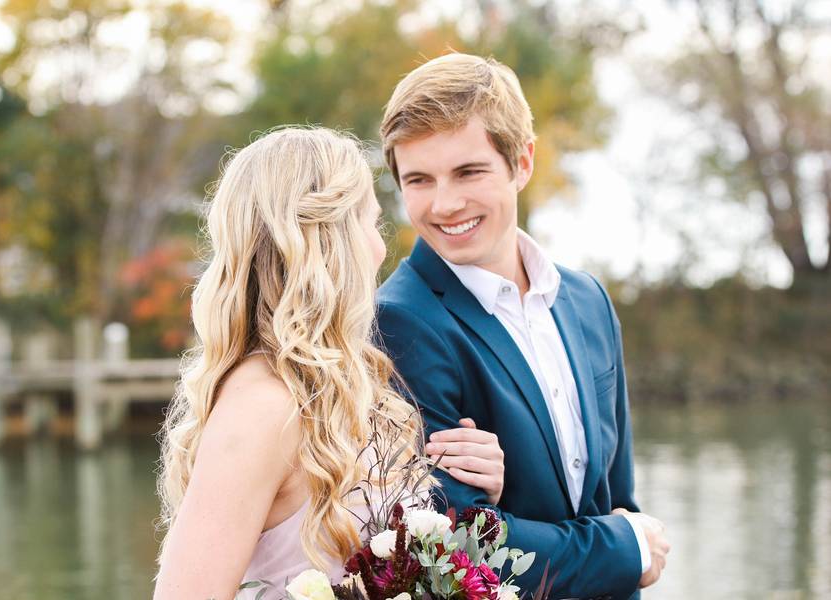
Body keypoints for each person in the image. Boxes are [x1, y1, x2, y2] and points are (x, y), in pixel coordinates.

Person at [152, 127, 506, 600]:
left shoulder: (358, 389)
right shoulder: (261, 407)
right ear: (330, 238)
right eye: (372, 224)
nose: (381, 249)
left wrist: (482, 494)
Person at [376, 53, 671, 600]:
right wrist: (627, 550)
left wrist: (627, 542)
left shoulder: (588, 301)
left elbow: (616, 498)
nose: (445, 203)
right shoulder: (400, 320)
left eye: (469, 171)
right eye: (419, 179)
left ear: (523, 163)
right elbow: (453, 545)